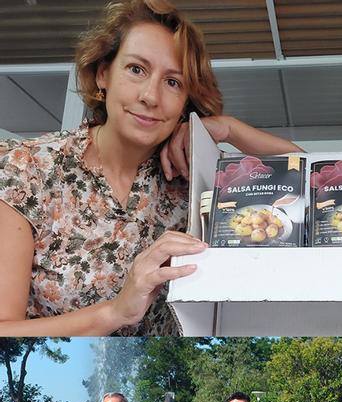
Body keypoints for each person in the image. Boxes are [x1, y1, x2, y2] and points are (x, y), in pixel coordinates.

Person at [0, 0, 303, 336]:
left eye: (173, 82)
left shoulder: (193, 178)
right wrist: (115, 312)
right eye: (136, 69)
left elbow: (306, 178)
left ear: (186, 101)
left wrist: (229, 128)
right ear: (103, 74)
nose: (151, 96)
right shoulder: (26, 169)